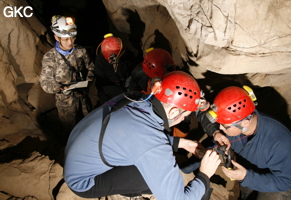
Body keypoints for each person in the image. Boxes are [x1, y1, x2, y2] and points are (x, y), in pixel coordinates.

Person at [64, 71, 221, 200]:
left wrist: (182, 143)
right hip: (83, 181)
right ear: (173, 112)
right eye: (184, 116)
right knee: (156, 179)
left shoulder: (136, 99)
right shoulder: (152, 144)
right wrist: (204, 176)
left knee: (153, 166)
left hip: (78, 155)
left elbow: (135, 137)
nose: (183, 119)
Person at [205, 85, 291, 200]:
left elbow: (285, 181)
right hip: (251, 166)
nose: (220, 128)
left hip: (279, 177)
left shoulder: (278, 140)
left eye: (224, 125)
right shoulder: (236, 126)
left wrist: (246, 176)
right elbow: (216, 143)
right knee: (247, 193)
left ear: (245, 123)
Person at [39, 15, 94, 140]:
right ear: (56, 37)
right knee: (70, 131)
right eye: (65, 39)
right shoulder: (50, 57)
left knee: (89, 124)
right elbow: (45, 82)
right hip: (65, 102)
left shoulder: (81, 51)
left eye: (72, 38)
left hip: (83, 97)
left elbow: (91, 66)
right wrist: (58, 88)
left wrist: (89, 79)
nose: (70, 42)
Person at [94, 33, 137, 107]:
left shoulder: (127, 56)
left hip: (124, 86)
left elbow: (131, 72)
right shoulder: (100, 60)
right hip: (108, 89)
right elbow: (101, 82)